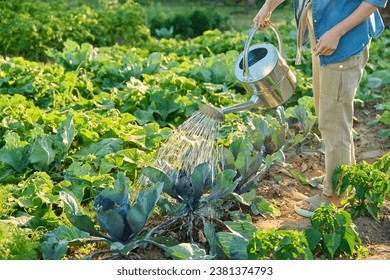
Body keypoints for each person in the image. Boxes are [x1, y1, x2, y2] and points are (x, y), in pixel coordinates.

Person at [253, 0, 388, 217]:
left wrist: (337, 32)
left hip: (342, 39)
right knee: (328, 113)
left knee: (333, 121)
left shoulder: (339, 34)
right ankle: (344, 177)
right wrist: (268, 7)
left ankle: (335, 196)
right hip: (324, 36)